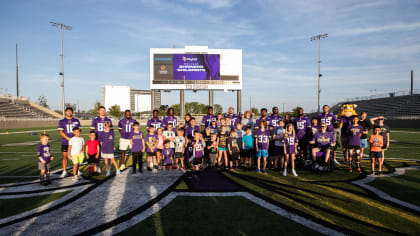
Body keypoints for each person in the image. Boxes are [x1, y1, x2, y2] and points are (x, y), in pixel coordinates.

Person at [58, 107, 81, 178]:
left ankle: (77, 170)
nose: (69, 112)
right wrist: (68, 138)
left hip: (75, 142)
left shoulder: (76, 120)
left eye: (70, 111)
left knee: (76, 157)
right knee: (65, 157)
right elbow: (60, 132)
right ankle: (64, 171)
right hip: (66, 142)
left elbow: (79, 131)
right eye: (68, 111)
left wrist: (75, 138)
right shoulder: (62, 121)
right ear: (65, 112)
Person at [91, 106, 113, 174]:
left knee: (107, 154)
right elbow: (92, 130)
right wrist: (93, 139)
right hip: (98, 139)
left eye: (104, 110)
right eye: (101, 110)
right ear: (98, 111)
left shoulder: (108, 120)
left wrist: (111, 140)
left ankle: (108, 167)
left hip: (106, 140)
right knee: (98, 154)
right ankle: (97, 167)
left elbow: (111, 131)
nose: (102, 111)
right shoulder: (95, 120)